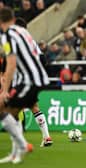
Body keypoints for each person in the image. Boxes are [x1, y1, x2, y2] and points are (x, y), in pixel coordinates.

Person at [0, 7, 50, 164]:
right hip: (35, 78)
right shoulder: (24, 32)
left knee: (3, 107)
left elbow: (11, 63)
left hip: (28, 80)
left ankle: (22, 146)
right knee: (13, 113)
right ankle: (16, 154)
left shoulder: (8, 36)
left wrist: (5, 90)